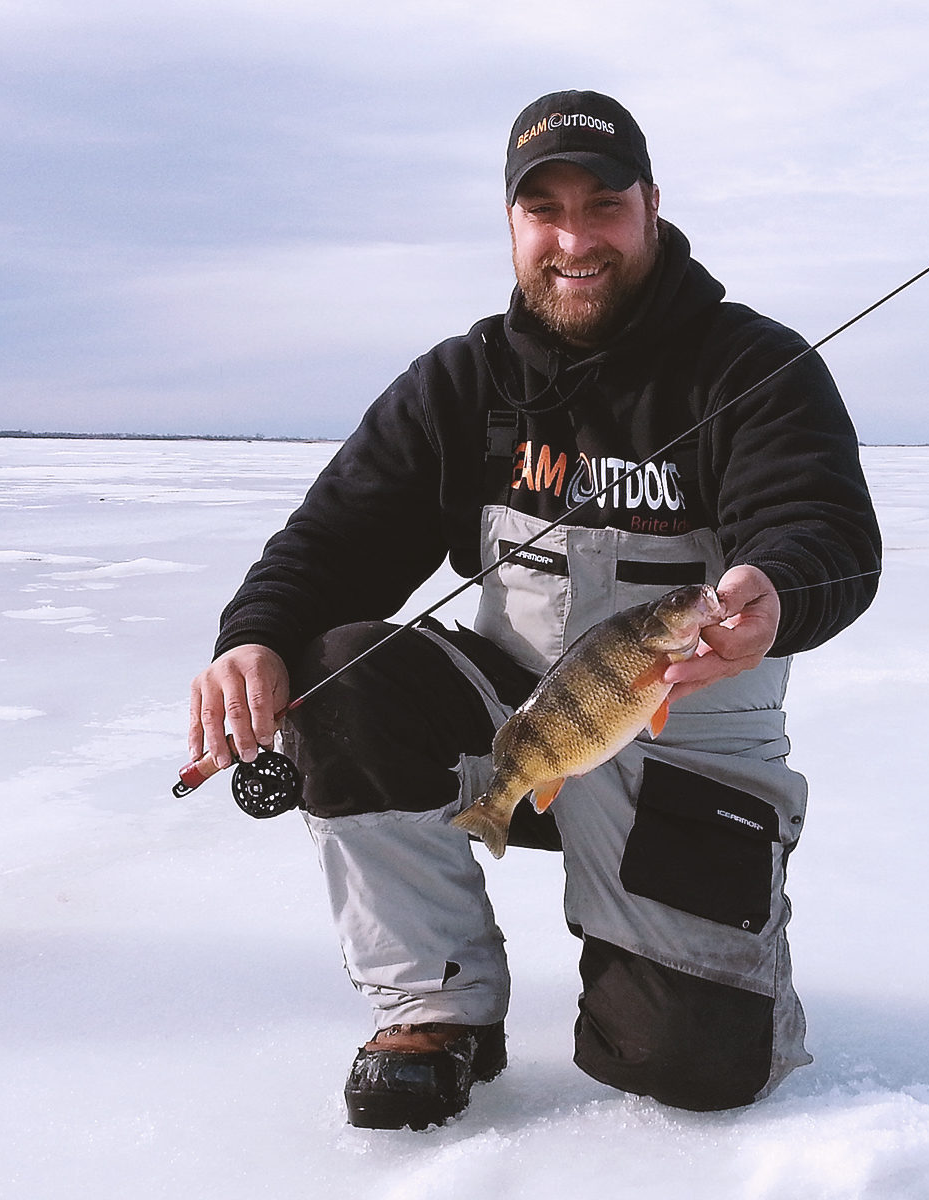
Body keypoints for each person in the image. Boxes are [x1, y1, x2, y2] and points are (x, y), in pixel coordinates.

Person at [188, 89, 881, 1129]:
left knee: (690, 1064)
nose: (573, 239)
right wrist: (252, 642)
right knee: (339, 664)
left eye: (601, 205)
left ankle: (689, 981)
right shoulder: (464, 382)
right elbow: (334, 543)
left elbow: (819, 525)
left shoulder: (751, 368)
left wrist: (775, 590)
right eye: (542, 210)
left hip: (683, 744)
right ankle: (436, 1007)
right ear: (512, 225)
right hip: (521, 721)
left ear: (650, 205)